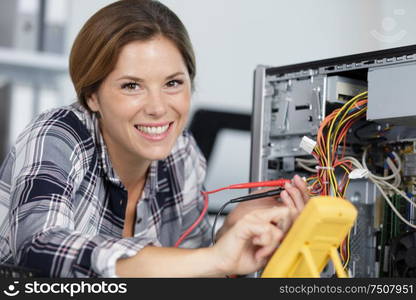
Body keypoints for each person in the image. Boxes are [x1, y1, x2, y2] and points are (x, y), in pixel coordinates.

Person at [0, 0, 309, 277]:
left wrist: (229, 232)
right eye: (132, 86)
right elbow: (38, 250)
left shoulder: (181, 152)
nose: (159, 108)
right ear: (92, 96)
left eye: (173, 83)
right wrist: (213, 258)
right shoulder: (59, 134)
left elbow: (190, 264)